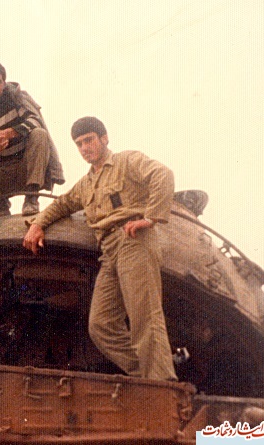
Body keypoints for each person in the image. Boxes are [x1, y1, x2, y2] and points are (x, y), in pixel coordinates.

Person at [23, 117, 178, 381]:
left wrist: (151, 217)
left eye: (89, 140)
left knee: (144, 317)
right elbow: (62, 204)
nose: (84, 148)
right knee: (101, 325)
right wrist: (37, 224)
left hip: (133, 241)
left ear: (104, 138)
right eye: (79, 144)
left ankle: (161, 384)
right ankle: (148, 377)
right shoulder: (86, 184)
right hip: (108, 251)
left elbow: (163, 174)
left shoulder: (126, 161)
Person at [0, 60, 65, 217]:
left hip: (24, 167)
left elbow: (35, 121)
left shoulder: (15, 99)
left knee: (40, 134)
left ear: (4, 82)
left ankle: (32, 197)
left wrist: (10, 133)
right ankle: (0, 203)